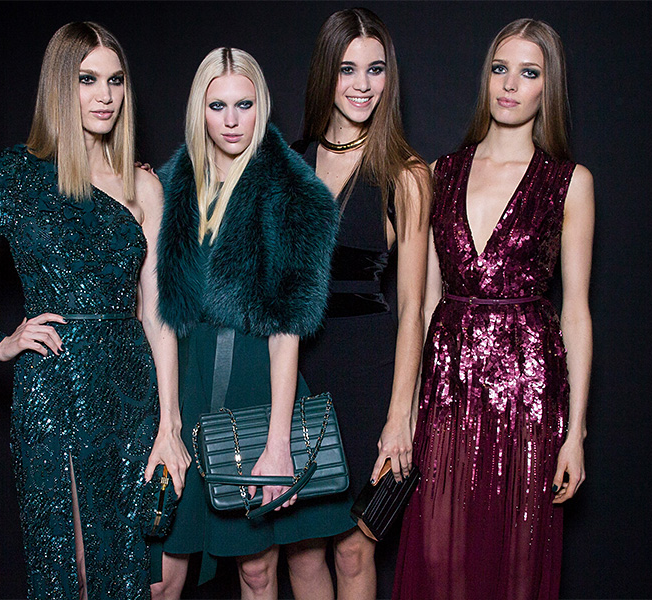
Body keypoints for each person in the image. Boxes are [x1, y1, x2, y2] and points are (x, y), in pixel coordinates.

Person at [0, 22, 190, 600]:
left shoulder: (144, 187)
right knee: (71, 569)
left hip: (129, 392)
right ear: (60, 85)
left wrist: (170, 424)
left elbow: (159, 316)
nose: (105, 96)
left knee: (126, 572)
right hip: (53, 389)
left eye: (115, 81)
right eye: (88, 80)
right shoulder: (18, 175)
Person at [393, 18, 594, 599]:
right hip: (447, 386)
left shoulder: (569, 182)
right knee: (438, 555)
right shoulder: (440, 173)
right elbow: (424, 304)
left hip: (529, 391)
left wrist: (576, 432)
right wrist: (404, 409)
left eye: (528, 73)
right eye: (500, 69)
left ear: (547, 88)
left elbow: (576, 313)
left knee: (514, 564)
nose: (509, 84)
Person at [149, 47, 353, 600]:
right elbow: (151, 298)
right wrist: (166, 420)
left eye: (245, 104)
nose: (232, 120)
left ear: (262, 105)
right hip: (182, 383)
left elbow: (288, 331)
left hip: (256, 385)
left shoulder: (294, 193)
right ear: (199, 109)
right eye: (218, 105)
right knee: (161, 576)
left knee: (257, 570)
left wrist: (278, 442)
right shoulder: (167, 187)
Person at [291, 7, 431, 600]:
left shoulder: (406, 174)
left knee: (353, 549)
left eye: (376, 69)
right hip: (293, 372)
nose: (363, 85)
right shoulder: (288, 163)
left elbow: (414, 307)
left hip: (369, 375)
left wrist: (401, 415)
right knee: (301, 552)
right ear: (327, 72)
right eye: (348, 69)